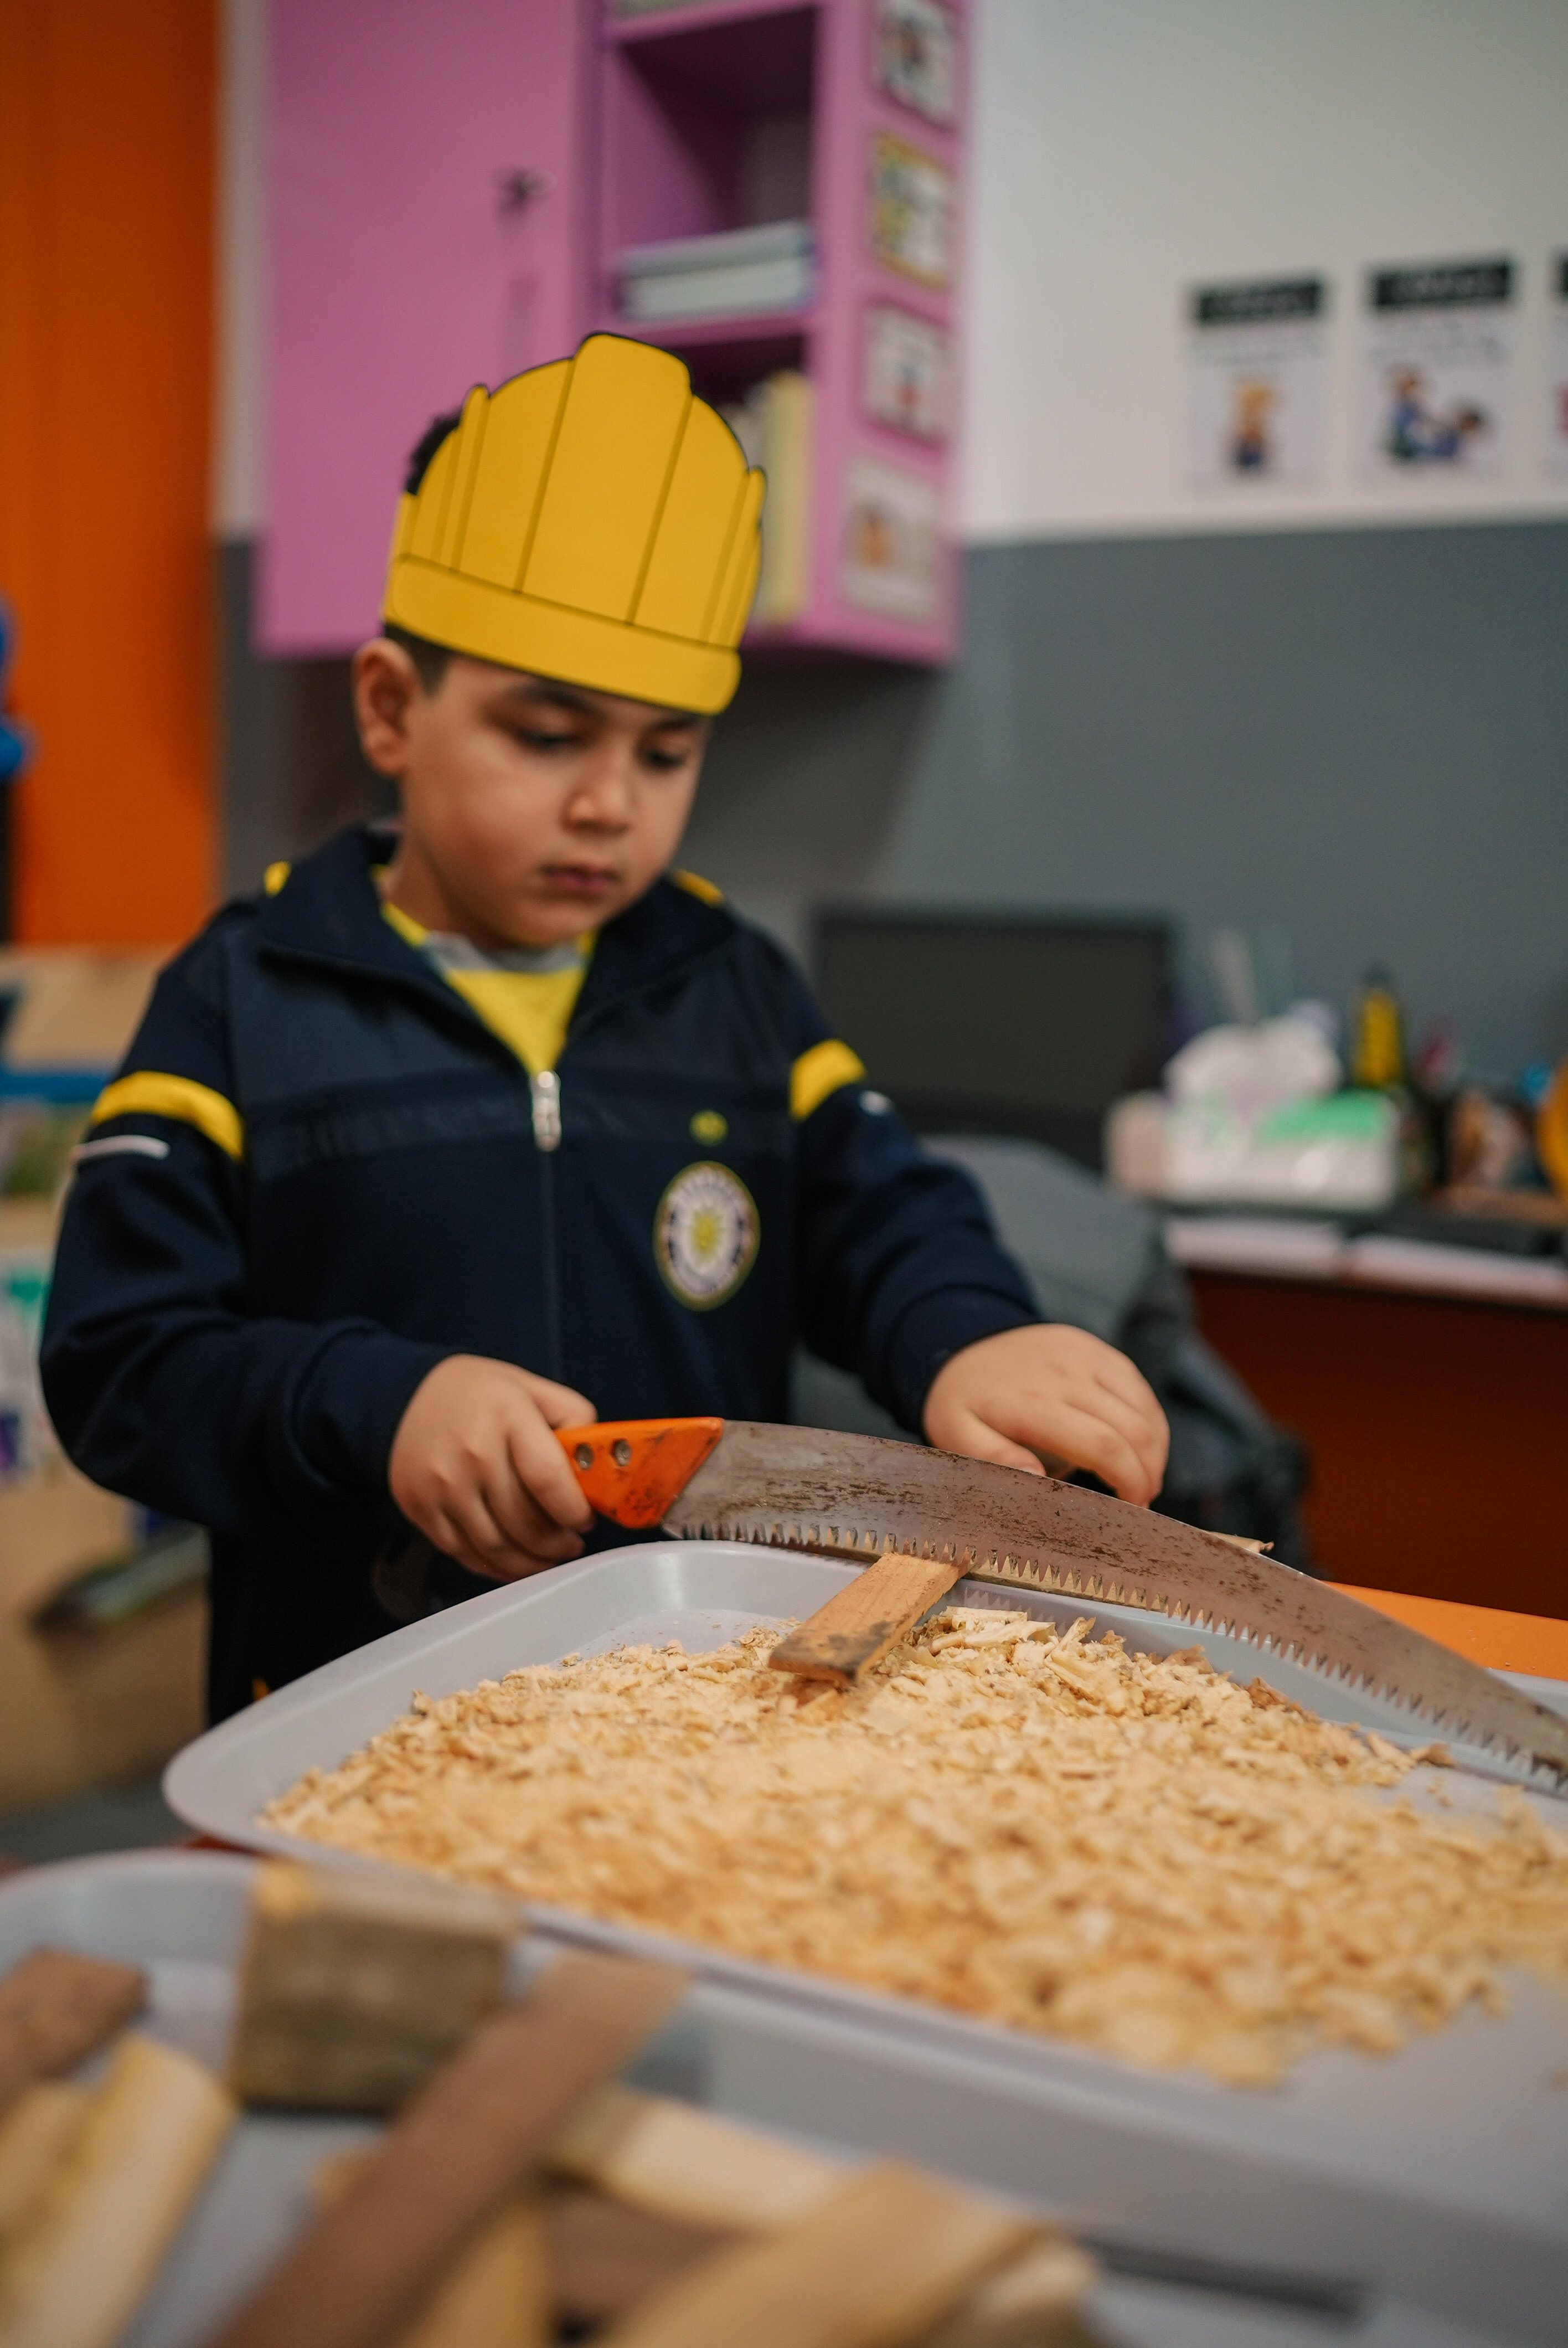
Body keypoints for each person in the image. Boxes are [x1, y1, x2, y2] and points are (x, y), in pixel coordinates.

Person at [41, 335, 1167, 1721]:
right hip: (354, 1710)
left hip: (690, 1703)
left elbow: (883, 1217)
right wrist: (378, 1405)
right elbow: (121, 1359)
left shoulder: (735, 988)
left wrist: (968, 1335)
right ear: (392, 709)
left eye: (665, 751)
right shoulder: (243, 995)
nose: (610, 803)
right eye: (546, 735)